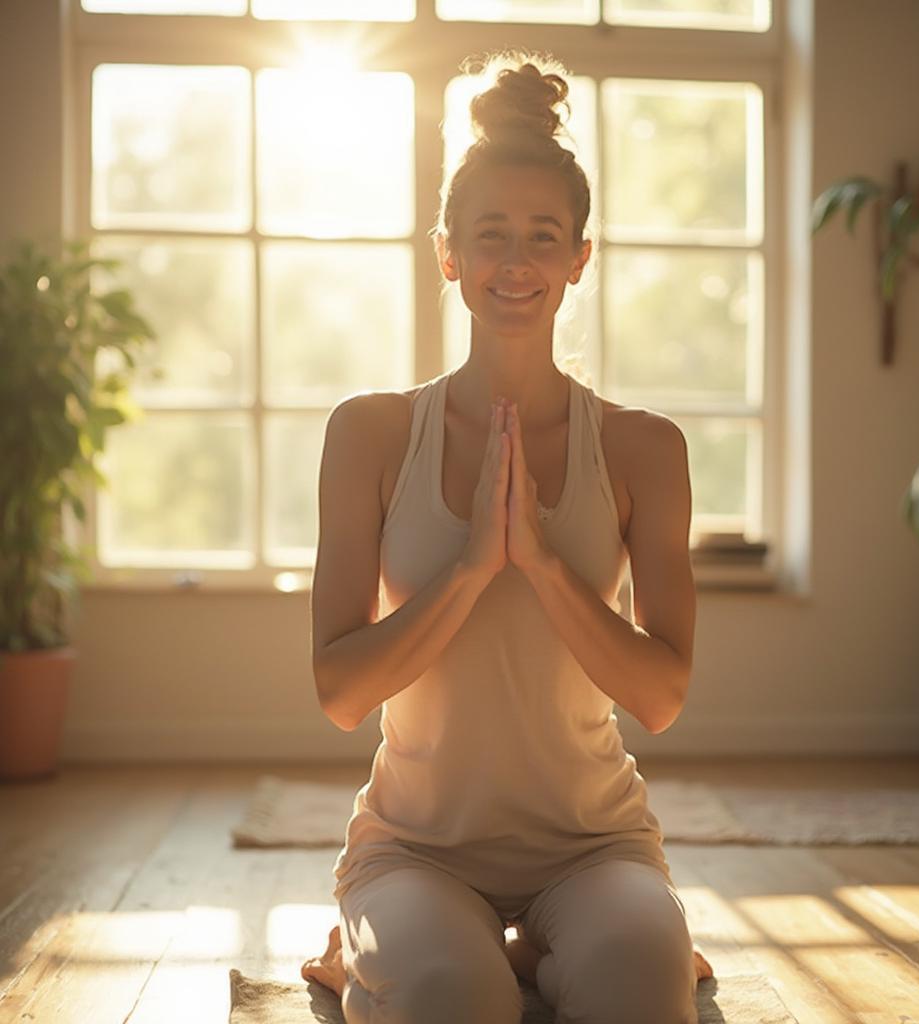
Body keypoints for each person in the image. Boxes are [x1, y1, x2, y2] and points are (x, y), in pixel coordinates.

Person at [303, 50, 711, 1024]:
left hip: (595, 844)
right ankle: (408, 948)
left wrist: (539, 559)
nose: (516, 263)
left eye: (543, 237)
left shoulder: (644, 448)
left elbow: (659, 696)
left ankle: (569, 944)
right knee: (455, 1001)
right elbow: (339, 691)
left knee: (643, 996)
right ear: (447, 252)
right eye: (490, 236)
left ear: (580, 255)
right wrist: (473, 568)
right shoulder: (368, 433)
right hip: (415, 846)